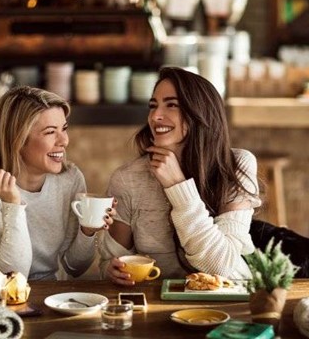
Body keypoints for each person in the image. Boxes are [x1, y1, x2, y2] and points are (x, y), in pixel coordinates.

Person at [99, 66, 262, 286]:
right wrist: (112, 269)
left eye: (172, 105)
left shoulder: (236, 165)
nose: (156, 116)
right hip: (155, 303)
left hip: (223, 303)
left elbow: (222, 267)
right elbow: (110, 262)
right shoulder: (128, 178)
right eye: (153, 106)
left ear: (200, 113)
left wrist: (178, 186)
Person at [0, 86, 115, 280]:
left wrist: (87, 230)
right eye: (50, 132)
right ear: (18, 139)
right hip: (0, 301)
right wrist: (13, 205)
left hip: (51, 298)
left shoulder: (70, 179)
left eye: (64, 129)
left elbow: (75, 267)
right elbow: (12, 275)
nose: (64, 140)